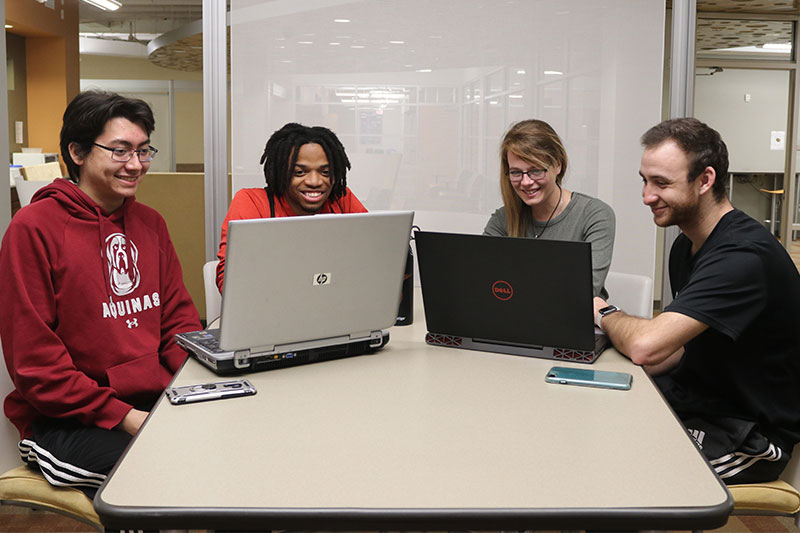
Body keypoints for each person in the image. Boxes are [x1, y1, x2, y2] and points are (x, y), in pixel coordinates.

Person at [0, 91, 202, 498]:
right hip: (68, 422)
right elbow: (37, 365)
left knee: (230, 451)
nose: (135, 165)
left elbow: (178, 322)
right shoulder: (33, 228)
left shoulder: (150, 224)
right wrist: (126, 417)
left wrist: (194, 389)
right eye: (120, 150)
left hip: (154, 401)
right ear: (77, 151)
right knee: (171, 473)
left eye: (144, 151)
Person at [593, 117, 800, 484]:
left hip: (749, 433)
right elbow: (674, 350)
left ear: (705, 180)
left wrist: (604, 312)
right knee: (591, 436)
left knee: (618, 476)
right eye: (645, 180)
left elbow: (645, 345)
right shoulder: (685, 246)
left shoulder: (743, 256)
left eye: (661, 183)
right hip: (697, 402)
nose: (647, 196)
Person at [215, 122, 367, 291]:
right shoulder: (253, 202)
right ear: (281, 172)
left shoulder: (341, 200)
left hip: (336, 304)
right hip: (270, 307)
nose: (315, 182)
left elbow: (372, 255)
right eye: (299, 172)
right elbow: (230, 280)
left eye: (325, 172)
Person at [483, 119, 615, 297]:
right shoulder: (503, 219)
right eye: (516, 172)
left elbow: (581, 293)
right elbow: (483, 280)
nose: (526, 182)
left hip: (572, 322)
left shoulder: (594, 215)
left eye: (536, 170)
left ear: (558, 165)